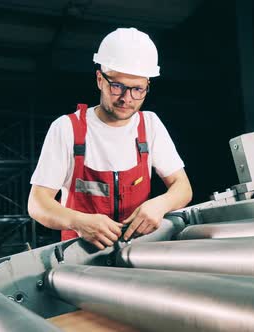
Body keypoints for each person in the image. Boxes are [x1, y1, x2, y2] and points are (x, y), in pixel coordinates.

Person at [27, 27, 192, 249]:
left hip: (138, 251)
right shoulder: (67, 128)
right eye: (117, 86)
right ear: (99, 80)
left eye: (137, 89)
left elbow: (182, 187)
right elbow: (37, 204)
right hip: (79, 258)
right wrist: (79, 222)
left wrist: (160, 204)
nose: (127, 98)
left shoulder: (150, 125)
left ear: (147, 86)